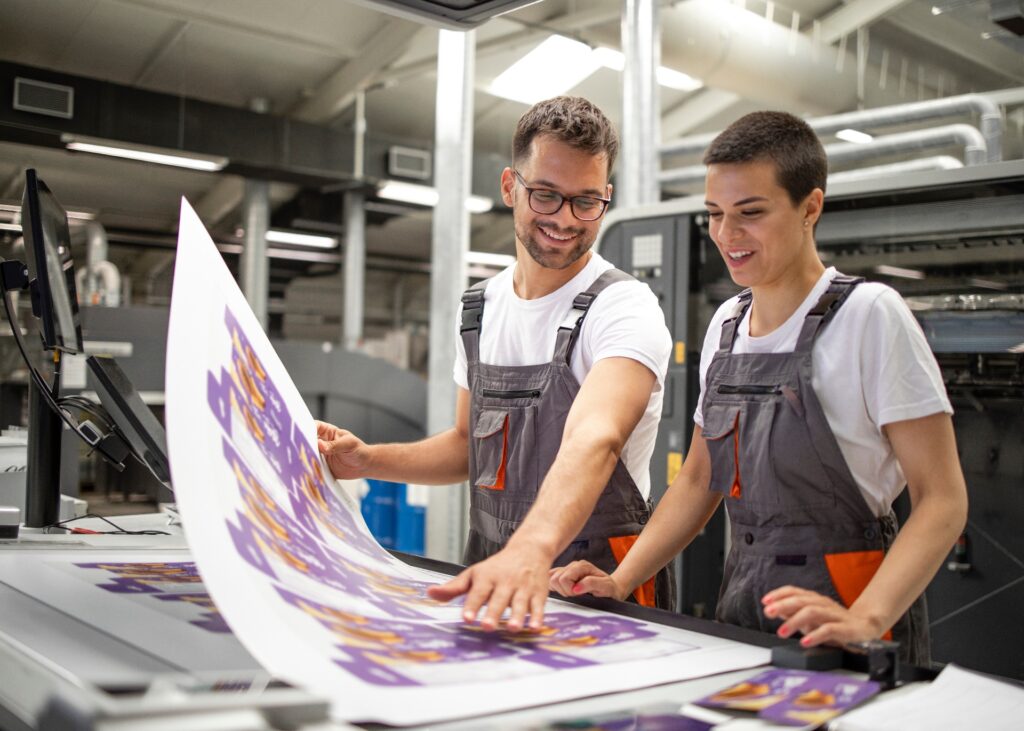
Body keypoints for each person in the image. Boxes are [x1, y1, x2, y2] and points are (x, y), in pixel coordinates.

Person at [549, 110, 968, 665]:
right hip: (743, 604)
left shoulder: (869, 316)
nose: (727, 235)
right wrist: (620, 581)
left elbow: (942, 498)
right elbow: (699, 481)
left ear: (809, 209)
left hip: (850, 610)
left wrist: (866, 619)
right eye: (716, 215)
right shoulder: (727, 325)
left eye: (750, 213)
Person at [317, 96, 673, 631]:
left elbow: (595, 438)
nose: (564, 219)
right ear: (510, 186)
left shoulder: (624, 307)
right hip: (493, 567)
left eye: (586, 202)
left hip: (595, 579)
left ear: (607, 198)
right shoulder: (478, 311)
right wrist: (369, 460)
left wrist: (531, 549)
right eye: (545, 195)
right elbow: (467, 445)